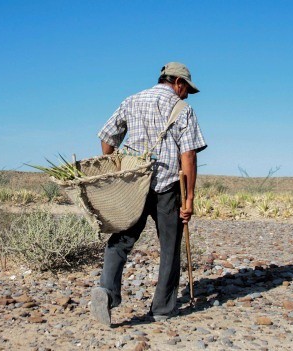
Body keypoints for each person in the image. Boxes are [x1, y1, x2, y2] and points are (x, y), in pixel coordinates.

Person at [91, 62, 207, 326]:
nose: (187, 94)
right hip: (167, 186)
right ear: (178, 82)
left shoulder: (131, 100)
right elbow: (187, 156)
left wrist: (117, 169)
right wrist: (189, 199)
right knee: (169, 247)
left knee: (121, 240)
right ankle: (163, 309)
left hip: (133, 185)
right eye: (187, 88)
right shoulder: (183, 109)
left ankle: (106, 293)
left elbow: (107, 141)